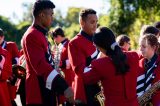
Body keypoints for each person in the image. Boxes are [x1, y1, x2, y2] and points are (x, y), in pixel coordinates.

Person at [21, 1, 74, 105]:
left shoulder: (39, 33)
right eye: (51, 14)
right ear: (42, 15)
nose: (52, 18)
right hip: (38, 92)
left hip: (45, 88)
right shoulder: (32, 34)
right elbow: (40, 66)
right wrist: (63, 86)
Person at [82, 27, 139, 106]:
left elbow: (85, 78)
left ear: (98, 46)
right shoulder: (134, 56)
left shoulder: (100, 64)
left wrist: (99, 57)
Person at [68, 8, 102, 105]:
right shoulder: (74, 43)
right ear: (82, 23)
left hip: (101, 88)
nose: (95, 25)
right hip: (86, 92)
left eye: (96, 22)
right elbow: (80, 71)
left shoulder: (98, 38)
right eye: (92, 22)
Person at [51, 27, 75, 105]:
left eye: (54, 38)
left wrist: (60, 63)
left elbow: (72, 60)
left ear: (57, 36)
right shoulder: (60, 45)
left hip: (69, 76)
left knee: (68, 100)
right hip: (62, 76)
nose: (54, 41)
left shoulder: (69, 44)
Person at [137, 34, 160, 106]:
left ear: (153, 47)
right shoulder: (139, 63)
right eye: (140, 46)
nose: (140, 49)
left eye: (144, 46)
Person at [0, 28, 20, 105]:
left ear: (2, 37)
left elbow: (17, 61)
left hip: (10, 76)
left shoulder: (11, 45)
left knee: (10, 100)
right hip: (3, 76)